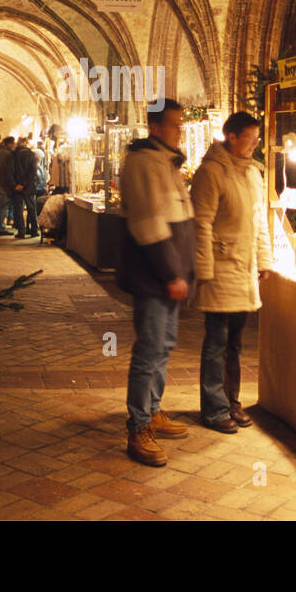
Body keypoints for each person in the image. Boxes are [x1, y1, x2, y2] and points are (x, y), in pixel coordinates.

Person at [118, 98, 195, 466]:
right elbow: (149, 224)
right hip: (154, 278)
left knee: (163, 345)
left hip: (169, 277)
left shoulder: (166, 162)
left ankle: (153, 408)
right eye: (174, 124)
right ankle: (138, 427)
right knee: (149, 350)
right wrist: (171, 274)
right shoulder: (144, 164)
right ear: (155, 127)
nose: (179, 130)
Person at [190, 110, 273, 432]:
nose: (255, 144)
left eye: (257, 138)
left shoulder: (252, 173)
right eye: (250, 138)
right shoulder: (211, 173)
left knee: (235, 343)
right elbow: (201, 223)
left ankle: (231, 402)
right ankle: (214, 409)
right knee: (216, 342)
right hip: (220, 269)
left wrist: (263, 260)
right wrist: (203, 269)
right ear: (232, 137)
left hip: (244, 270)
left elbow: (258, 220)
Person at [10, 137, 40, 238]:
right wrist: (25, 184)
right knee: (32, 209)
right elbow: (33, 172)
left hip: (17, 187)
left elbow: (10, 172)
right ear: (26, 144)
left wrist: (16, 185)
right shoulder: (31, 155)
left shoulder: (13, 155)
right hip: (29, 187)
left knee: (19, 210)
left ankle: (21, 232)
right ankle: (34, 230)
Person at [0, 136, 17, 236]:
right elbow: (6, 170)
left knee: (1, 206)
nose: (14, 145)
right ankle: (1, 228)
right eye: (13, 143)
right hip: (3, 184)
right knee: (3, 206)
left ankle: (0, 227)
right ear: (9, 144)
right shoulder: (6, 153)